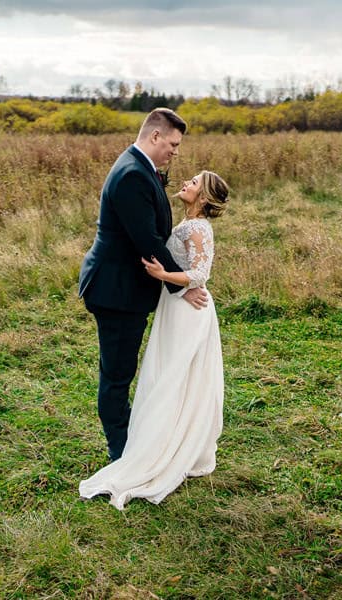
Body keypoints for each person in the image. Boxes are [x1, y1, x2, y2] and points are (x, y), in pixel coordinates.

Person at [79, 170, 230, 509]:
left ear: (203, 198)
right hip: (175, 305)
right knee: (169, 373)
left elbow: (201, 274)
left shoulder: (199, 228)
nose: (186, 183)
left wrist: (167, 277)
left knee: (176, 376)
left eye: (194, 183)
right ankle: (165, 437)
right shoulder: (187, 222)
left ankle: (171, 443)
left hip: (188, 311)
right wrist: (176, 284)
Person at [78, 108, 208, 463]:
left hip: (123, 287)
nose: (175, 152)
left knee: (120, 369)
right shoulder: (132, 174)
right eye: (172, 143)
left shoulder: (138, 167)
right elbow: (147, 240)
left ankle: (128, 444)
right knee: (117, 375)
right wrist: (184, 285)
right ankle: (120, 455)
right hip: (116, 291)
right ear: (154, 136)